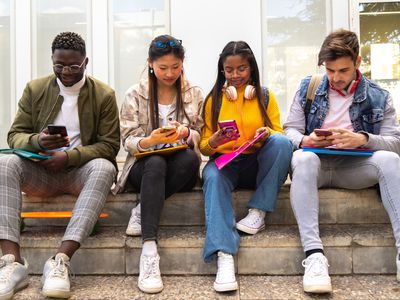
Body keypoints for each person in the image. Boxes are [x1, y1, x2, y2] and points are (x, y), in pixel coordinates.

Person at [0, 32, 120, 299]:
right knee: (5, 163)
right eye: (59, 65)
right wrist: (38, 142)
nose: (66, 71)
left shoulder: (104, 94)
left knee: (105, 167)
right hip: (40, 173)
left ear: (85, 62)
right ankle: (12, 262)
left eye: (73, 66)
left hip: (79, 173)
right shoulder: (36, 88)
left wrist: (69, 157)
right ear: (52, 60)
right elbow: (14, 135)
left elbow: (110, 145)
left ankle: (61, 260)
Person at [283, 29, 400, 294]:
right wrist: (306, 140)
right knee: (302, 158)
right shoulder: (308, 87)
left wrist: (363, 138)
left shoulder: (379, 95)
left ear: (358, 63)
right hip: (316, 167)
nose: (335, 78)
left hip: (354, 169)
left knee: (391, 160)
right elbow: (289, 132)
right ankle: (314, 256)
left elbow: (395, 142)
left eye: (343, 71)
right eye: (330, 70)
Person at [113, 35, 203, 294]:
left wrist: (187, 134)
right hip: (143, 167)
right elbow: (127, 139)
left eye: (175, 67)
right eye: (163, 67)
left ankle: (143, 209)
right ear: (150, 64)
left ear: (182, 63)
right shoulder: (135, 93)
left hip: (180, 168)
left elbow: (202, 133)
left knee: (189, 157)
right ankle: (149, 250)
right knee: (155, 162)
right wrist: (148, 140)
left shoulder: (193, 92)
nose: (170, 73)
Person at [200, 41, 292, 292]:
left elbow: (279, 133)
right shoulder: (213, 100)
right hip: (225, 163)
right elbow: (204, 148)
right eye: (229, 70)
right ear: (222, 71)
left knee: (282, 142)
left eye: (241, 69)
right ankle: (224, 255)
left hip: (256, 163)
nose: (235, 75)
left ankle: (258, 212)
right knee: (212, 177)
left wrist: (267, 132)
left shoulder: (264, 95)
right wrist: (215, 141)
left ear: (251, 68)